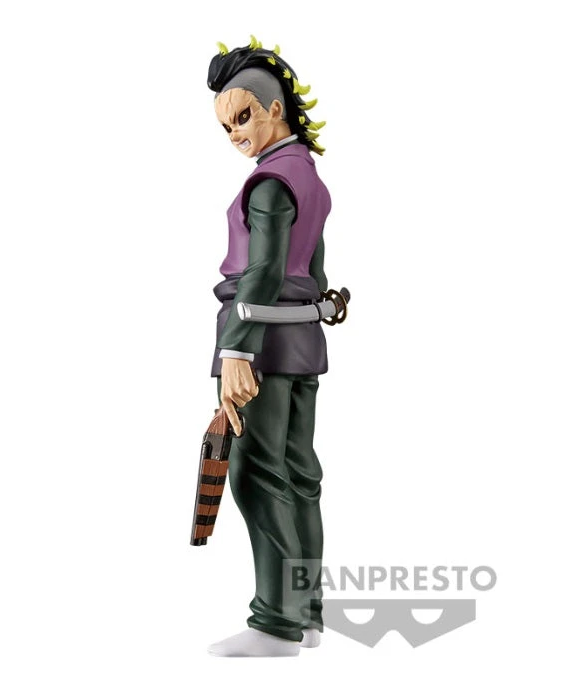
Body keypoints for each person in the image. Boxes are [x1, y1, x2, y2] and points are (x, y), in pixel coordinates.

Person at [206, 37, 332, 657]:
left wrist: (237, 351)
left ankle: (276, 624)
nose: (235, 133)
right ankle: (306, 615)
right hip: (302, 340)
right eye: (227, 125)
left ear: (274, 108)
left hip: (264, 345)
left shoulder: (268, 184)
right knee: (299, 475)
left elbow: (263, 272)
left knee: (257, 476)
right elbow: (315, 265)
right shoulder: (307, 175)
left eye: (243, 116)